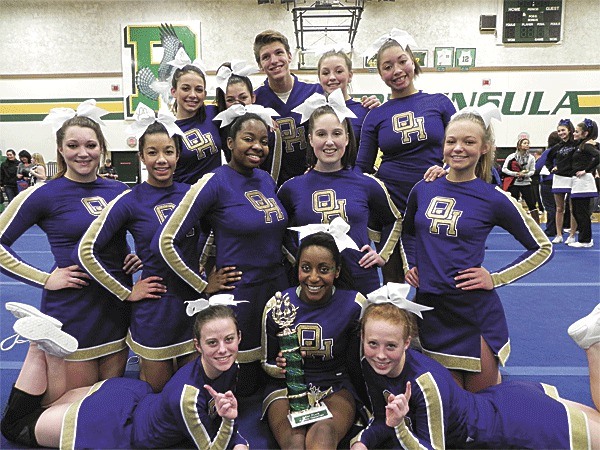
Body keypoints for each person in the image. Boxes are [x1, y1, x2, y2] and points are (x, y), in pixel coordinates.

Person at [402, 106, 553, 392]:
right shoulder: (423, 188)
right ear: (443, 145)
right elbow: (408, 232)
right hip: (431, 312)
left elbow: (542, 248)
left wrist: (494, 278)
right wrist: (413, 263)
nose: (458, 148)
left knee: (483, 408)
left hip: (474, 315)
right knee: (448, 409)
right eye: (451, 141)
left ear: (484, 147)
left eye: (469, 142)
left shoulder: (493, 198)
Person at [0, 100, 136, 402]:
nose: (83, 153)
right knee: (71, 405)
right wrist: (44, 279)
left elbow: (129, 232)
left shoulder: (120, 191)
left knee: (105, 401)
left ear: (102, 148)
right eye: (73, 145)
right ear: (60, 149)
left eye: (91, 145)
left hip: (117, 306)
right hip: (73, 310)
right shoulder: (43, 194)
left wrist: (136, 254)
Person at [350, 296, 600, 450]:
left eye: (390, 346)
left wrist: (400, 428)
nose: (380, 354)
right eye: (373, 344)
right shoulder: (370, 364)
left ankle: (593, 347)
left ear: (406, 343)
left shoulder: (424, 383)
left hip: (513, 428)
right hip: (503, 403)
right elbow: (384, 419)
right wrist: (362, 441)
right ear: (363, 338)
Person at [157, 110, 288, 397]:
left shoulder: (266, 180)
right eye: (248, 139)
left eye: (263, 141)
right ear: (229, 142)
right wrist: (202, 284)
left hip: (276, 292)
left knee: (275, 380)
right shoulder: (213, 181)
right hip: (240, 295)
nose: (257, 146)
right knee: (237, 388)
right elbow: (167, 240)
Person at [77, 104, 207, 392]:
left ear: (178, 154)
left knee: (190, 393)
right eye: (153, 153)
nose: (162, 160)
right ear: (141, 157)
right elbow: (87, 250)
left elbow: (216, 232)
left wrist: (208, 268)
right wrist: (126, 292)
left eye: (169, 152)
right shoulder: (130, 200)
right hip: (155, 310)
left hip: (193, 305)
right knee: (158, 395)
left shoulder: (193, 194)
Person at [1, 303, 249, 450]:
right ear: (197, 345)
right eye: (212, 343)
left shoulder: (231, 366)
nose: (223, 350)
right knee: (15, 426)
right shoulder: (187, 398)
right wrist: (233, 431)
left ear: (239, 337)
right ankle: (36, 347)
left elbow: (219, 409)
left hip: (127, 398)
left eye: (229, 340)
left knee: (47, 404)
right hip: (113, 425)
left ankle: (50, 352)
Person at [355, 29, 456, 284]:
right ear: (380, 74)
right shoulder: (375, 115)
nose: (397, 70)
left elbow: (460, 148)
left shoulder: (440, 102)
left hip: (435, 200)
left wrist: (447, 169)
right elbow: (362, 169)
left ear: (413, 62)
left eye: (402, 61)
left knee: (437, 278)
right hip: (392, 206)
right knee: (394, 281)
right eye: (387, 66)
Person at [278, 97, 404, 295]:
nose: (329, 141)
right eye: (321, 134)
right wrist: (299, 259)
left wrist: (381, 255)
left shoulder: (368, 183)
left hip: (360, 281)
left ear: (347, 138)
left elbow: (394, 219)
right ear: (310, 139)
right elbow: (279, 231)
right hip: (313, 286)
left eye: (336, 133)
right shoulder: (291, 188)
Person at [261, 232, 366, 449]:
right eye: (306, 268)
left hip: (335, 384)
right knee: (295, 441)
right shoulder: (277, 305)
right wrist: (282, 366)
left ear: (337, 271)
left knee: (323, 436)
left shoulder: (355, 305)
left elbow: (360, 362)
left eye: (324, 269)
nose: (314, 278)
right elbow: (265, 362)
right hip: (285, 387)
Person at [253, 30, 378, 186]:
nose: (274, 60)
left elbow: (343, 102)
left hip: (316, 180)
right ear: (259, 65)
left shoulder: (316, 92)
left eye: (279, 53)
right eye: (266, 57)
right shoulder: (254, 102)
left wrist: (370, 103)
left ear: (290, 56)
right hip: (273, 183)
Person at [169, 48, 223, 184]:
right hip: (184, 197)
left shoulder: (214, 113)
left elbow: (241, 109)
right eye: (186, 88)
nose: (193, 95)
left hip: (216, 196)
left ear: (204, 94)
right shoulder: (167, 129)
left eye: (198, 90)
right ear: (174, 92)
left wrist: (263, 116)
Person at [317, 49, 369, 146]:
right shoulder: (313, 111)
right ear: (319, 79)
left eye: (339, 71)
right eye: (325, 73)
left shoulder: (364, 111)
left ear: (350, 76)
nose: (332, 77)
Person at [567, 118, 600, 248]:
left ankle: (585, 240)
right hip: (578, 182)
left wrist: (586, 170)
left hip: (584, 182)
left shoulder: (587, 145)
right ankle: (584, 238)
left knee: (581, 211)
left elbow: (598, 156)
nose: (574, 133)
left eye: (576, 131)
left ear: (585, 133)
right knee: (576, 210)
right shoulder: (581, 145)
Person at [546, 118, 578, 244]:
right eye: (559, 131)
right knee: (559, 208)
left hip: (573, 178)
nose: (561, 133)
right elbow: (547, 159)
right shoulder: (556, 147)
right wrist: (551, 168)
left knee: (572, 208)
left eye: (563, 130)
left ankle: (571, 235)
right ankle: (559, 234)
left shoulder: (576, 144)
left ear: (569, 130)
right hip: (559, 178)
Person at [501, 137, 540, 224]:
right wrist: (515, 174)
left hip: (526, 183)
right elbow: (504, 169)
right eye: (524, 143)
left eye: (528, 143)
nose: (527, 145)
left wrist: (525, 174)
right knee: (514, 203)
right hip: (514, 183)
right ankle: (513, 222)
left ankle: (536, 223)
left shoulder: (531, 158)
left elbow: (533, 170)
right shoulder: (511, 157)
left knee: (531, 203)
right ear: (519, 145)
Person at [535, 131, 562, 238]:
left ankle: (551, 229)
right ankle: (559, 228)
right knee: (559, 207)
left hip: (548, 180)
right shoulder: (563, 151)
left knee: (550, 206)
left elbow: (538, 166)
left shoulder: (549, 151)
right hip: (560, 180)